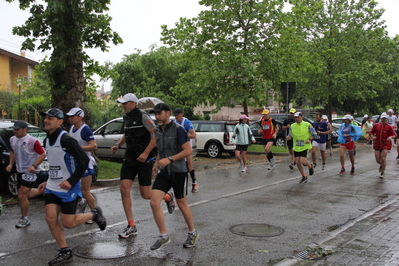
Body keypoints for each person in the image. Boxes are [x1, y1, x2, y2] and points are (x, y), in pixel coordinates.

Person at [37, 108, 106, 266]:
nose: (46, 120)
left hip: (69, 187)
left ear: (60, 122)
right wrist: (47, 180)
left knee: (68, 223)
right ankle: (65, 251)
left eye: (51, 118)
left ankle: (94, 215)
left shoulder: (66, 139)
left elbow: (83, 161)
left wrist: (71, 180)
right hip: (52, 186)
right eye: (45, 118)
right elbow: (55, 164)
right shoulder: (47, 140)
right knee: (50, 218)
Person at [110, 93, 175, 239]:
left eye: (125, 103)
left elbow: (155, 134)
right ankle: (131, 225)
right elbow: (126, 134)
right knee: (124, 189)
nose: (122, 106)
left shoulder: (143, 116)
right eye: (122, 103)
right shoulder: (126, 117)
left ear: (133, 103)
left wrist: (146, 153)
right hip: (130, 158)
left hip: (144, 159)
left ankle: (167, 197)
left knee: (146, 194)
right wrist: (118, 145)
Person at [150, 103, 198, 250]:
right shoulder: (157, 130)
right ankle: (164, 236)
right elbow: (160, 150)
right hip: (164, 173)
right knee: (153, 202)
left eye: (160, 113)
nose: (157, 116)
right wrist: (156, 163)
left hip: (179, 172)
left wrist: (170, 159)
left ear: (168, 113)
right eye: (155, 114)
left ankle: (192, 233)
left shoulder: (178, 130)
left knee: (182, 205)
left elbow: (188, 150)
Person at [6, 120, 46, 228]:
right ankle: (45, 189)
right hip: (20, 171)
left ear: (25, 129)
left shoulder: (33, 141)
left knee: (21, 195)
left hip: (31, 172)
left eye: (17, 129)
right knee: (25, 195)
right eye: (14, 129)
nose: (15, 131)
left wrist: (34, 165)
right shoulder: (12, 139)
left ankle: (25, 218)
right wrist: (10, 164)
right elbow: (12, 152)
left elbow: (43, 154)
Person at [66, 107, 97, 223]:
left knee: (85, 191)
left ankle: (95, 213)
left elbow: (94, 146)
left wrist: (78, 148)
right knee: (71, 187)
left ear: (80, 117)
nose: (70, 119)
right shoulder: (71, 128)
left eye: (72, 117)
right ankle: (81, 202)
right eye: (69, 116)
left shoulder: (85, 129)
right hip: (74, 164)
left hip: (85, 164)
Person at [286, 112, 316, 183]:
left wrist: (309, 139)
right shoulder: (292, 126)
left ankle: (310, 166)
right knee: (297, 162)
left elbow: (314, 134)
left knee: (303, 162)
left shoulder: (307, 125)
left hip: (305, 146)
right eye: (295, 117)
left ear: (301, 117)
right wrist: (288, 137)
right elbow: (290, 134)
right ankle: (304, 176)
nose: (296, 119)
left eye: (297, 117)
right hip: (296, 146)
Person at [173, 108, 198, 192]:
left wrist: (182, 136)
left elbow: (193, 135)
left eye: (177, 115)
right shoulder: (174, 122)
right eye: (175, 115)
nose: (176, 117)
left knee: (189, 165)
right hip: (178, 147)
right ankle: (181, 182)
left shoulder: (186, 122)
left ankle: (194, 183)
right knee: (179, 165)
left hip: (187, 146)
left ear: (181, 114)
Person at [368, 112, 397, 178]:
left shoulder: (389, 127)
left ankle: (383, 172)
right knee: (378, 160)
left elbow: (395, 135)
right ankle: (382, 165)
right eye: (382, 118)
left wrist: (390, 137)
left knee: (383, 159)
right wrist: (372, 136)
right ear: (380, 118)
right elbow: (371, 132)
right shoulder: (376, 125)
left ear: (387, 119)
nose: (383, 119)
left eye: (385, 118)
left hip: (385, 144)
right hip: (377, 144)